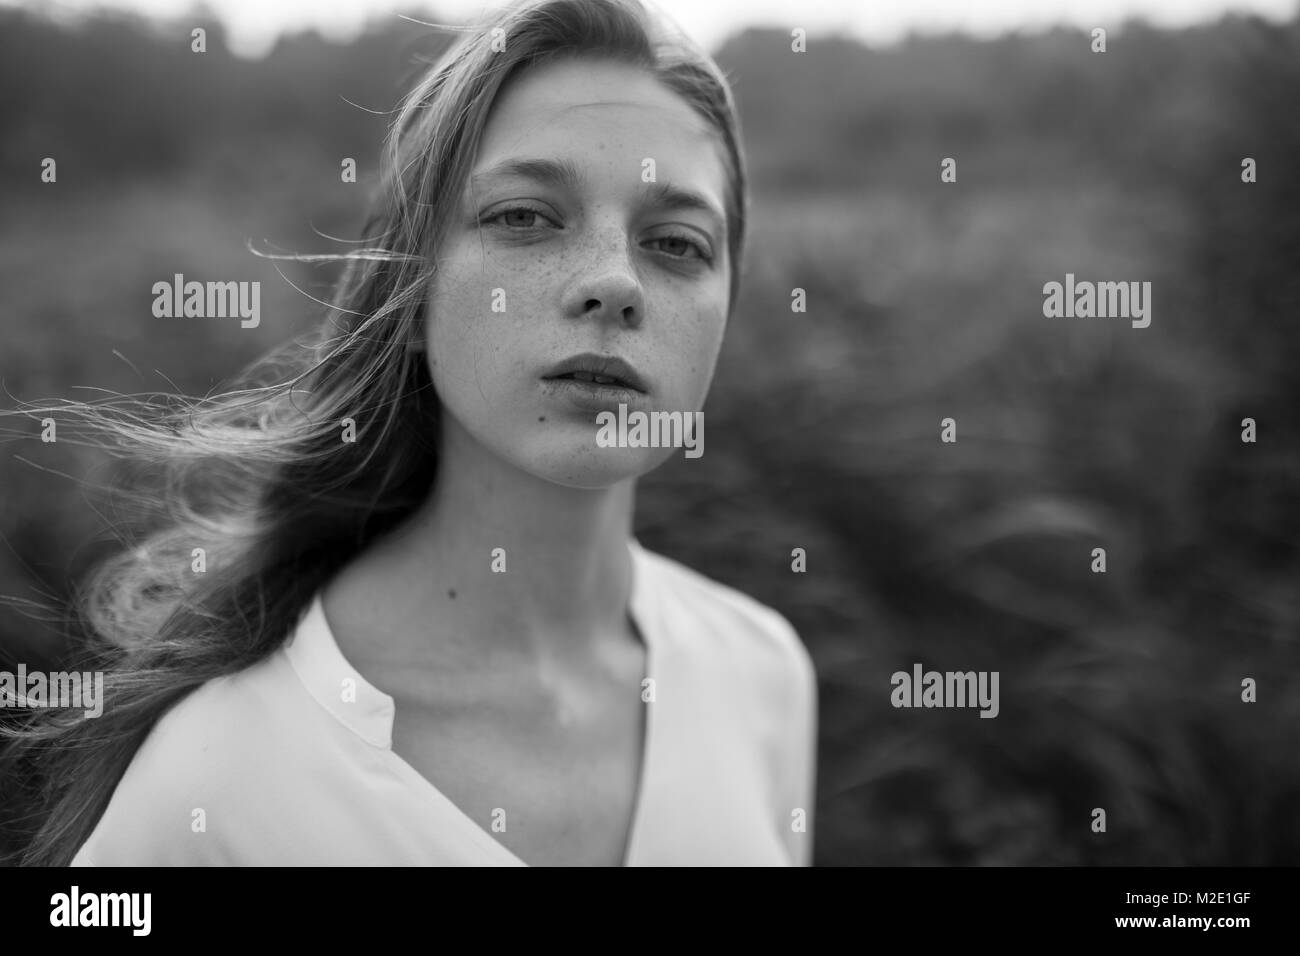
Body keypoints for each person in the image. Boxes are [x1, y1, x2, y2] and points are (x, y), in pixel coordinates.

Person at [1, 0, 817, 866]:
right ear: (412, 295)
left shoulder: (759, 675)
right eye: (525, 217)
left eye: (679, 243)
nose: (615, 281)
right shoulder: (223, 779)